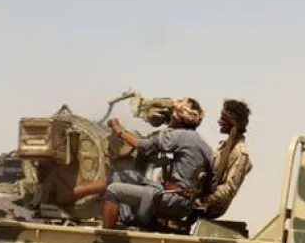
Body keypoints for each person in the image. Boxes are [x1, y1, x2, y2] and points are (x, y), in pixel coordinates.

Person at [67, 98, 216, 230]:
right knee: (121, 177)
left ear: (178, 117)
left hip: (169, 199)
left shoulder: (180, 136)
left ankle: (106, 238)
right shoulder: (206, 148)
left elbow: (144, 145)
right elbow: (211, 187)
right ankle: (70, 195)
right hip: (182, 203)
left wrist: (119, 131)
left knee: (113, 191)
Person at [200, 99, 253, 220]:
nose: (219, 121)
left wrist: (200, 199)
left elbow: (228, 190)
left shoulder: (240, 154)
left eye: (223, 118)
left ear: (232, 122)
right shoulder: (224, 147)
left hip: (211, 206)